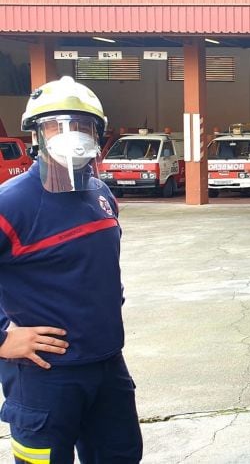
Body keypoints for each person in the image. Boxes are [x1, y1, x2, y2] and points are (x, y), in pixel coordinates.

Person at [0, 76, 143, 463]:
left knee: (121, 456)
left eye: (83, 125)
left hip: (107, 364)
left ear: (98, 133)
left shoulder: (100, 194)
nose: (72, 135)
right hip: (45, 376)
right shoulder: (12, 204)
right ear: (36, 136)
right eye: (57, 125)